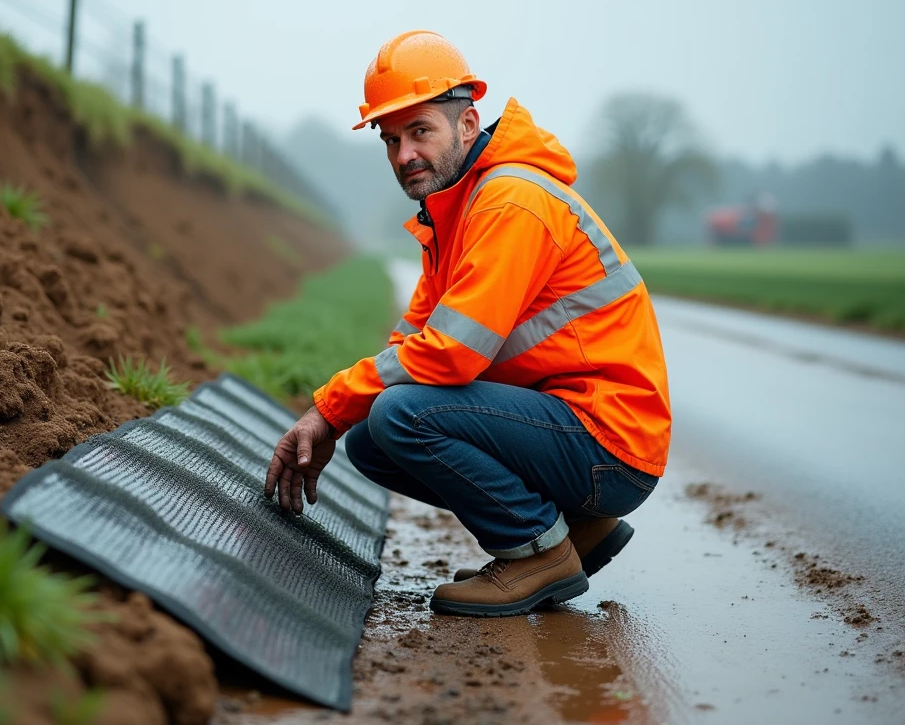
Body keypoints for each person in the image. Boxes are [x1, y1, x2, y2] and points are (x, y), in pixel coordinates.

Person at [264, 30, 671, 617]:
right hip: (575, 431)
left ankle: (536, 551)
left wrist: (330, 406)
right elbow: (413, 340)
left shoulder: (509, 202)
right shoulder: (453, 214)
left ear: (467, 122)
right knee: (375, 441)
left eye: (420, 130)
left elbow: (450, 353)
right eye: (391, 138)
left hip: (610, 443)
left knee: (399, 415)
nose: (404, 154)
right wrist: (339, 412)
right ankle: (580, 531)